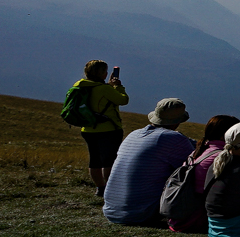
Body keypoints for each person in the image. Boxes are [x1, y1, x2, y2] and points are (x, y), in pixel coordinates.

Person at [103, 98, 194, 226]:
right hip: (141, 213)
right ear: (177, 121)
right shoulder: (173, 138)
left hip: (111, 210)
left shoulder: (133, 134)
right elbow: (195, 163)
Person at [169, 114, 239, 233]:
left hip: (181, 217)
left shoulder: (197, 152)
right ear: (225, 136)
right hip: (197, 219)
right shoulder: (222, 157)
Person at [69, 60, 129, 197]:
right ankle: (111, 189)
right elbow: (123, 100)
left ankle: (100, 188)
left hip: (88, 129)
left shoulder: (79, 85)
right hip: (108, 129)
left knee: (94, 160)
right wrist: (118, 87)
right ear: (102, 73)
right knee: (109, 160)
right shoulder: (105, 89)